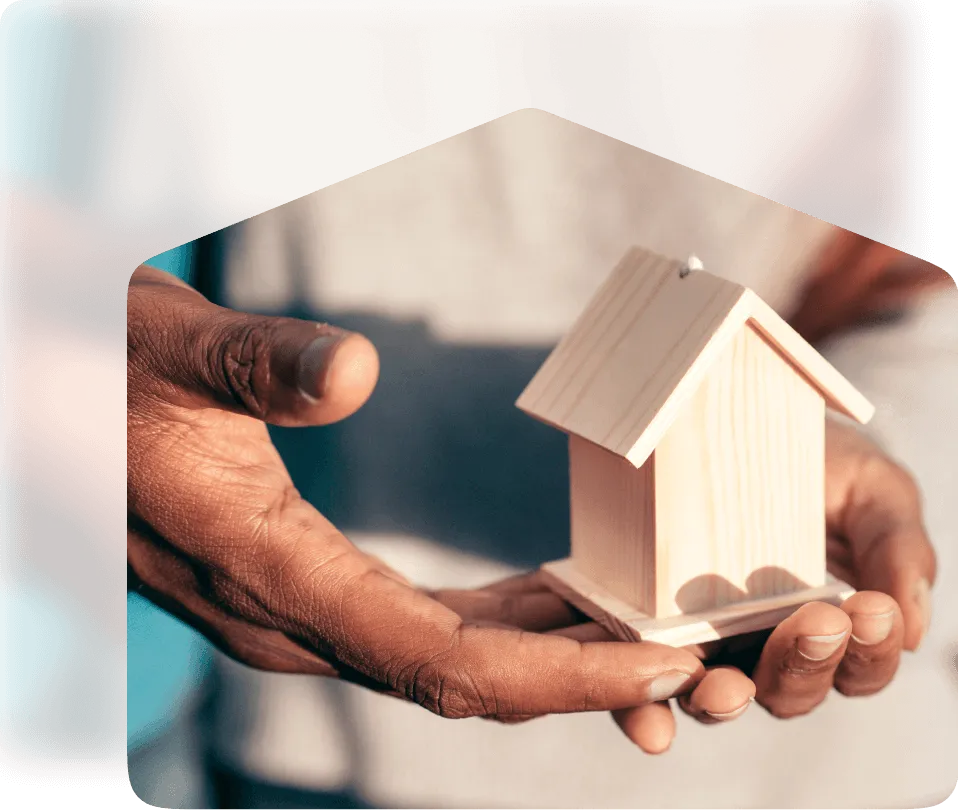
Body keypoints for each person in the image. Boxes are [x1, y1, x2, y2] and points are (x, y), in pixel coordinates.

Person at [124, 109, 954, 810]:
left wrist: (881, 452)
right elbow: (59, 261)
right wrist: (101, 412)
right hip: (322, 753)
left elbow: (906, 282)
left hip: (847, 777)